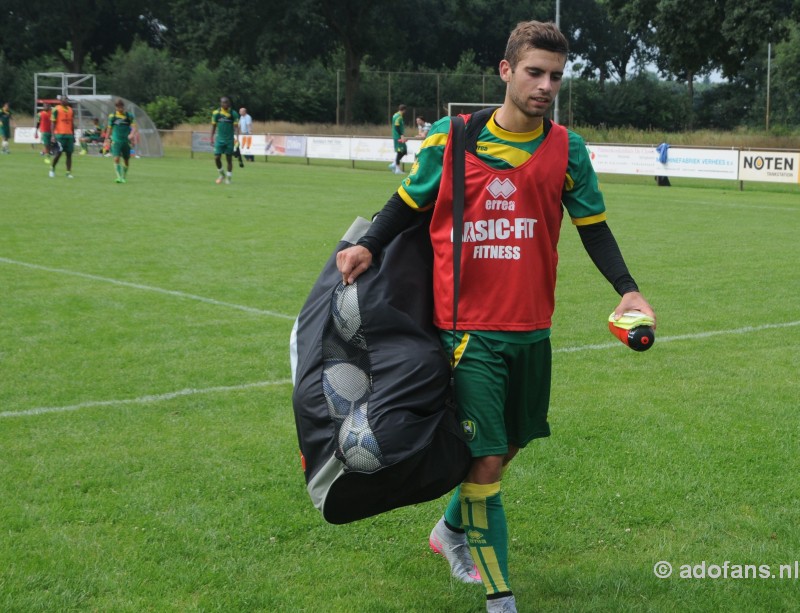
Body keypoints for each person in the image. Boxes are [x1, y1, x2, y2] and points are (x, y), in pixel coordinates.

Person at [336, 21, 656, 613]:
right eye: (534, 72)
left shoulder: (568, 148)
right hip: (468, 331)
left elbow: (594, 230)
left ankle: (448, 530)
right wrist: (369, 245)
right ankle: (500, 597)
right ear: (506, 70)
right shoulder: (450, 138)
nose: (545, 86)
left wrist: (628, 290)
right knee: (485, 458)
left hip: (532, 328)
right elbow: (408, 202)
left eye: (556, 76)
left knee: (506, 447)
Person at [106, 99, 138, 183]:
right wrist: (106, 139)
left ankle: (123, 176)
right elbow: (109, 129)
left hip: (126, 141)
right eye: (118, 107)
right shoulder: (112, 116)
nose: (120, 109)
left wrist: (131, 134)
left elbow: (134, 127)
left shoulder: (129, 116)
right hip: (116, 140)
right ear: (116, 107)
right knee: (116, 158)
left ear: (123, 107)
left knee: (126, 160)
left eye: (121, 107)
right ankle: (119, 177)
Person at [210, 96, 239, 184]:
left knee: (229, 159)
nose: (225, 104)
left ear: (229, 103)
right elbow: (213, 126)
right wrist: (211, 138)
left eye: (226, 102)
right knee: (216, 158)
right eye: (223, 102)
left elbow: (236, 128)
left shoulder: (233, 113)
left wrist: (237, 139)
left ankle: (228, 178)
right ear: (221, 103)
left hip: (229, 140)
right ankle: (222, 174)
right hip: (219, 140)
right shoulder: (216, 113)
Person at [49, 97, 75, 178]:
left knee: (69, 154)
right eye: (64, 100)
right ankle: (52, 169)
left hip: (69, 135)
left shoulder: (71, 110)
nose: (66, 101)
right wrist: (53, 136)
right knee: (58, 153)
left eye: (67, 100)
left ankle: (68, 172)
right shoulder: (56, 109)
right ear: (61, 101)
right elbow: (53, 123)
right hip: (60, 135)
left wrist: (73, 135)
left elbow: (72, 123)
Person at [388, 103, 407, 174]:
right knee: (401, 151)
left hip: (396, 136)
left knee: (403, 151)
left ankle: (394, 164)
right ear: (404, 110)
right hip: (398, 136)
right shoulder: (399, 116)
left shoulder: (395, 115)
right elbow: (396, 126)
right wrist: (401, 135)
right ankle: (397, 169)